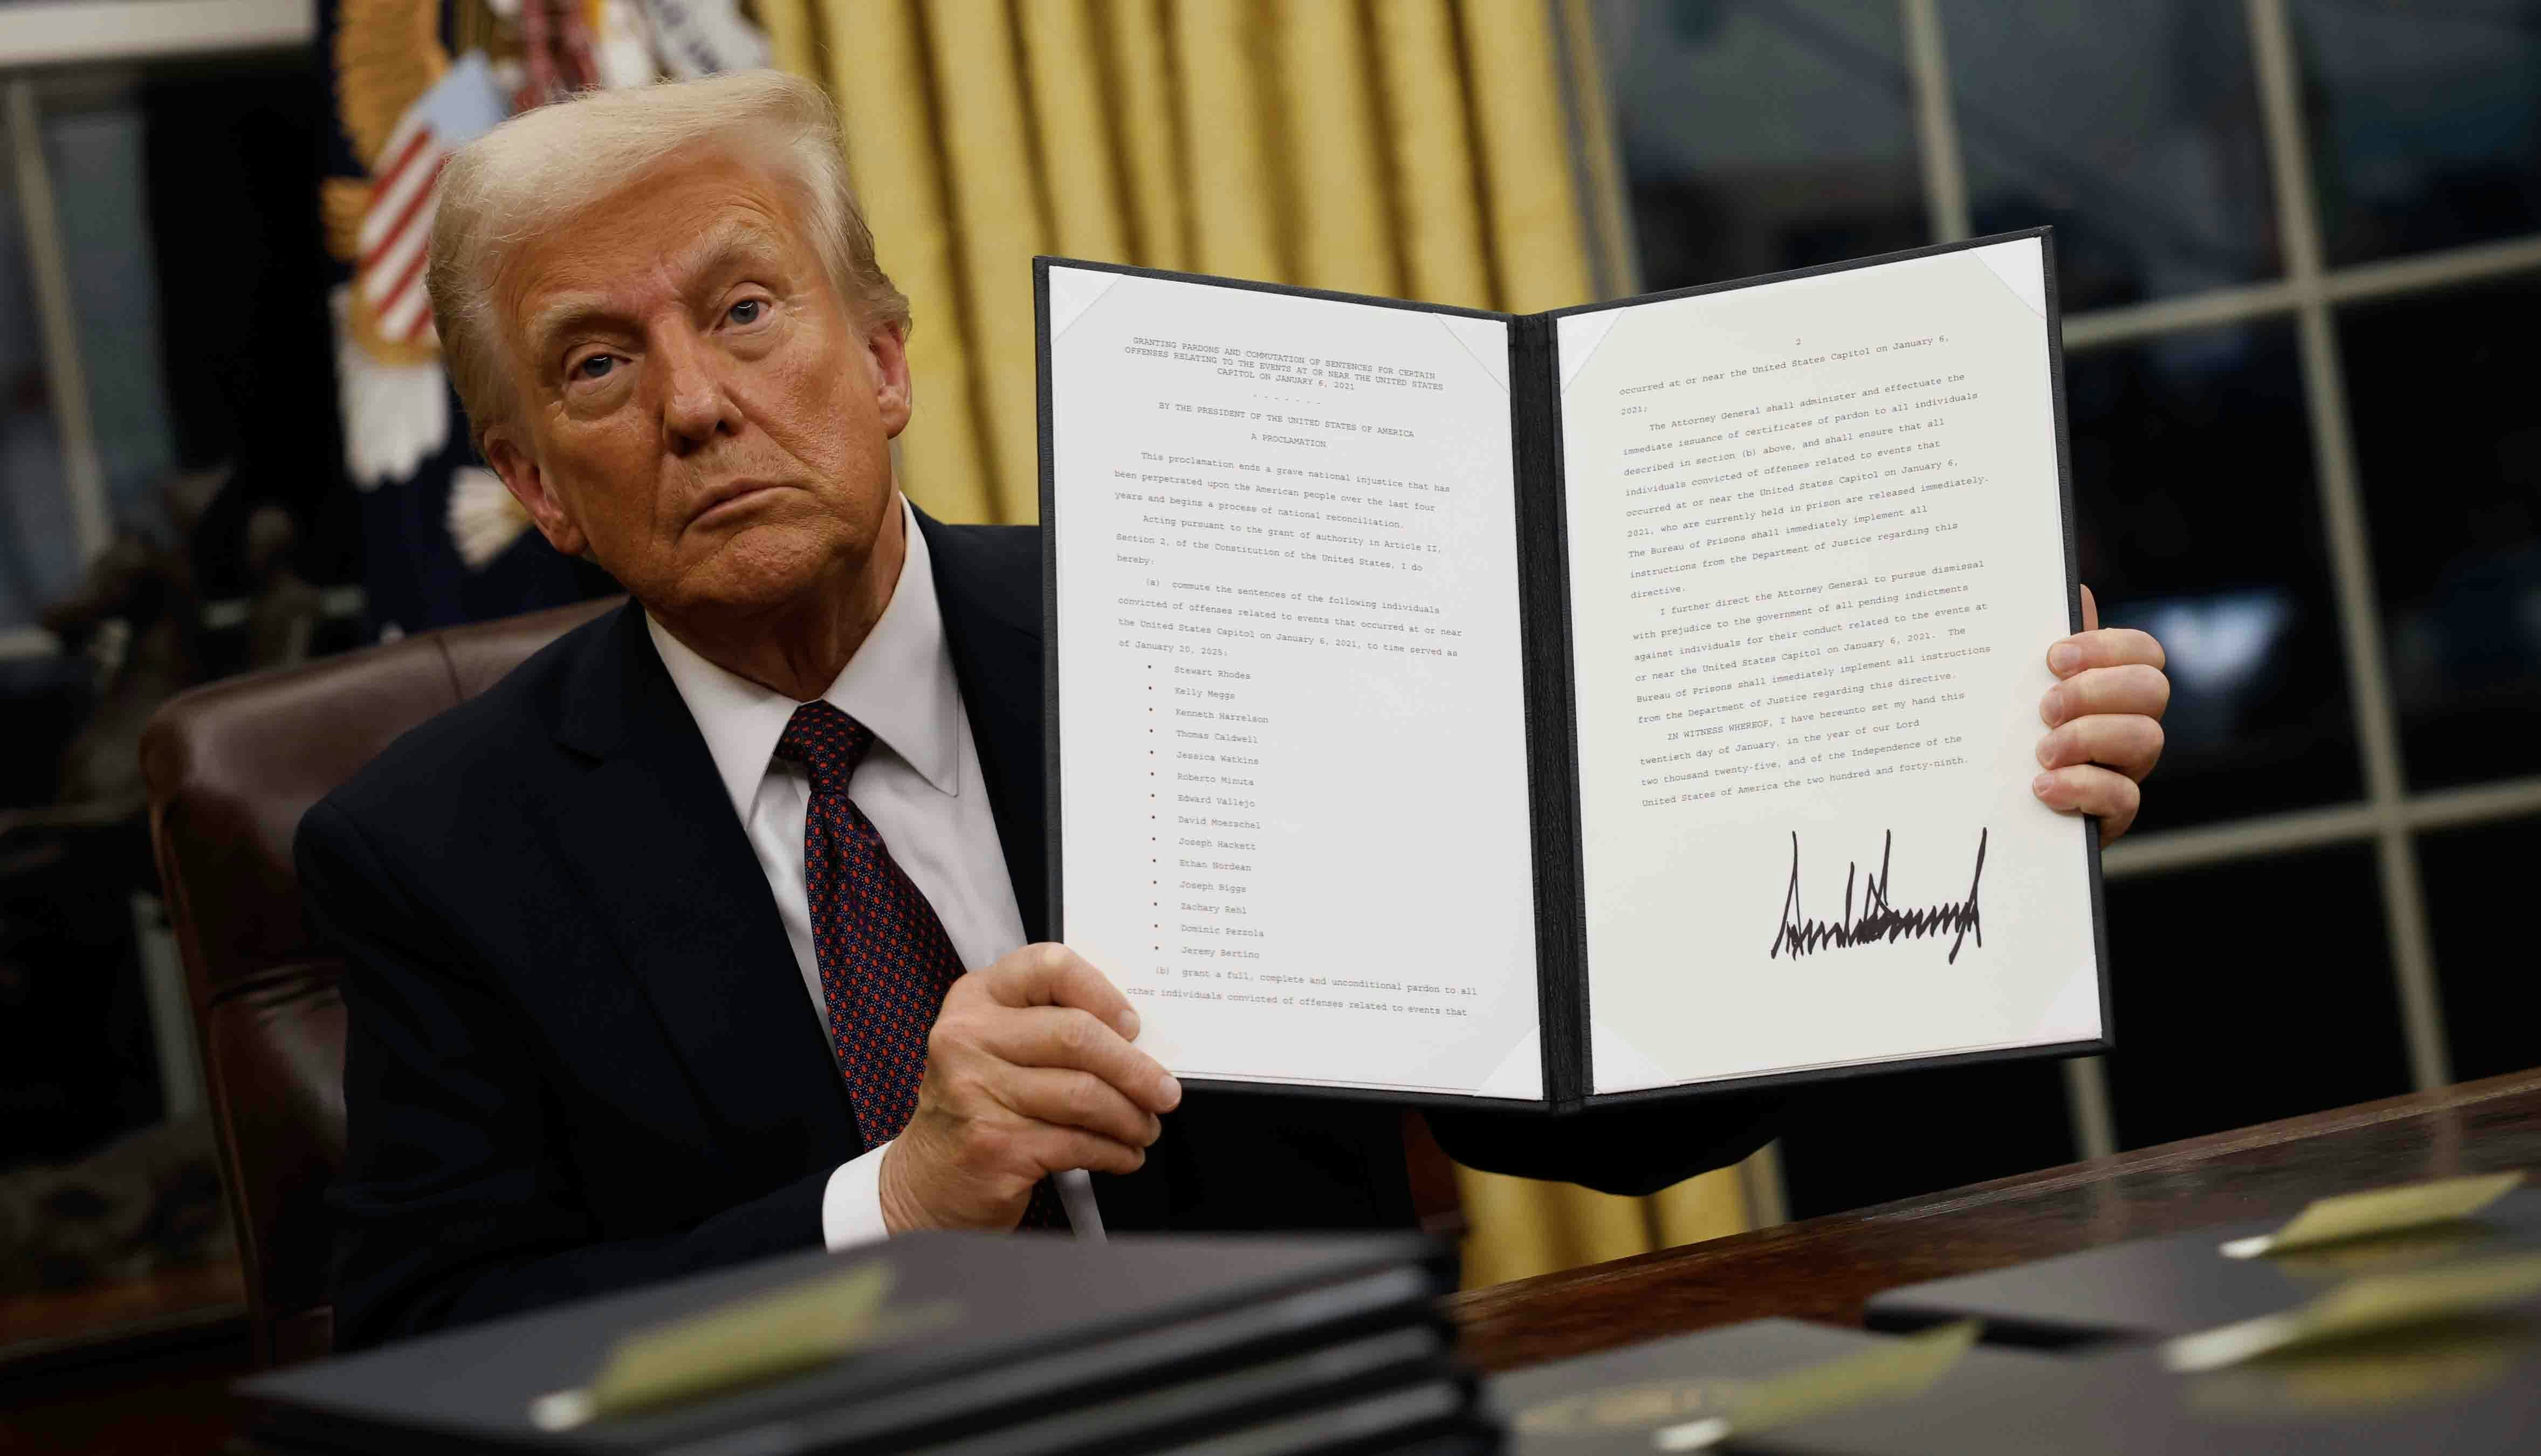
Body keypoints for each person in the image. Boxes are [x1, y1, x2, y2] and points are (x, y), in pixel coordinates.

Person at [302, 71, 2172, 1350]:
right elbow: (433, 1352)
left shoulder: (1217, 613)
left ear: (882, 362)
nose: (695, 405)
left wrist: (1964, 813)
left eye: (746, 312)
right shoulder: (436, 852)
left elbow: (1576, 1105)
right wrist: (900, 1200)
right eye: (600, 364)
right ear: (538, 485)